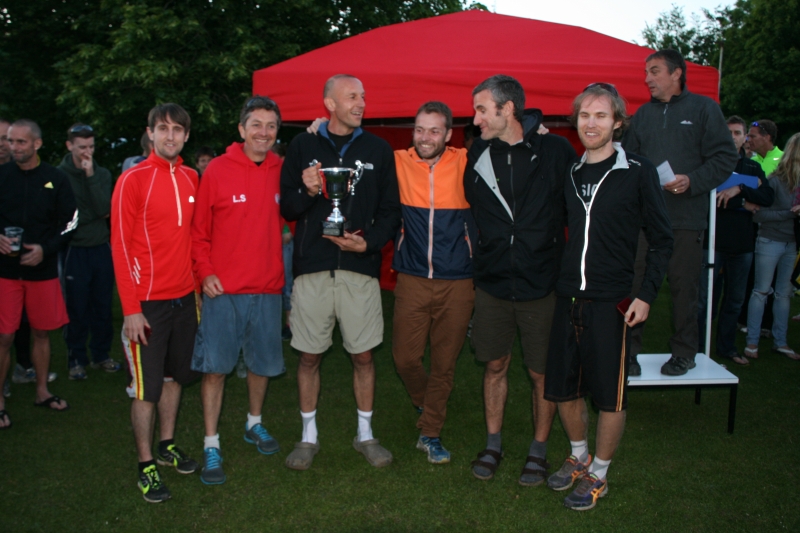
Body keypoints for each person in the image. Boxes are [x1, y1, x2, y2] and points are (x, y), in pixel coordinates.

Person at [544, 82, 672, 511]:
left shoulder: (638, 170)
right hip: (568, 297)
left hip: (612, 300)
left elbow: (662, 239)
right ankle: (579, 457)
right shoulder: (572, 171)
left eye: (601, 115)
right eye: (584, 115)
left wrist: (646, 295)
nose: (591, 123)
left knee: (609, 395)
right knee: (563, 389)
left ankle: (599, 473)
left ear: (618, 122)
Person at [279, 74, 400, 470]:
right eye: (351, 97)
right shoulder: (303, 145)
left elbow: (391, 210)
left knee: (363, 356)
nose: (361, 103)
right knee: (309, 356)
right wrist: (309, 190)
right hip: (313, 268)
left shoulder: (378, 149)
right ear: (329, 104)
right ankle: (308, 437)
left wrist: (370, 243)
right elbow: (288, 207)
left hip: (359, 268)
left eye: (363, 96)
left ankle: (365, 434)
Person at [464, 75, 576, 485]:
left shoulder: (555, 150)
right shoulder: (477, 152)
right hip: (492, 282)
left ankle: (538, 448)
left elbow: (577, 207)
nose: (476, 119)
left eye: (482, 109)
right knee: (495, 364)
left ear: (507, 108)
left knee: (541, 372)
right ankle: (493, 444)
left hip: (541, 283)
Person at [623, 49, 738, 376]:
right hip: (644, 222)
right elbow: (628, 160)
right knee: (634, 286)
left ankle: (685, 353)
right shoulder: (642, 114)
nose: (647, 78)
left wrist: (692, 181)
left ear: (676, 74)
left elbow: (725, 157)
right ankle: (628, 353)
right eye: (646, 72)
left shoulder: (704, 108)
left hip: (686, 220)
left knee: (684, 289)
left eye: (654, 71)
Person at [191, 96, 286, 485]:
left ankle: (254, 422)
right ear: (241, 129)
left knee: (261, 365)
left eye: (271, 126)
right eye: (256, 125)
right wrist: (205, 273)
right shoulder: (216, 169)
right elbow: (198, 233)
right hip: (223, 291)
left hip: (268, 288)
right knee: (215, 369)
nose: (264, 132)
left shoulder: (283, 169)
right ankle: (211, 443)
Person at [111, 103, 200, 503]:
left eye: (177, 129)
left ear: (186, 136)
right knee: (145, 389)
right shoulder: (132, 179)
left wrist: (197, 289)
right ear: (150, 133)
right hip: (146, 304)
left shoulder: (192, 177)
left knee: (174, 378)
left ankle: (167, 444)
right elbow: (118, 246)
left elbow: (193, 240)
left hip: (185, 299)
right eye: (162, 129)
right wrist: (131, 309)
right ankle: (145, 465)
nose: (170, 136)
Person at [392, 101, 474, 464]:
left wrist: (537, 130)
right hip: (412, 277)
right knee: (405, 359)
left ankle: (431, 432)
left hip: (458, 280)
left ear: (448, 134)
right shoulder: (397, 161)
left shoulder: (466, 161)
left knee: (444, 364)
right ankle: (426, 402)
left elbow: (509, 141)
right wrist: (319, 129)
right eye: (420, 129)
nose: (425, 137)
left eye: (434, 130)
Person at [0, 119, 77, 429]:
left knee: (42, 332)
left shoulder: (55, 178)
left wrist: (46, 249)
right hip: (5, 271)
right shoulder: (2, 175)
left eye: (20, 142)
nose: (13, 147)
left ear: (37, 144)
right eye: (10, 141)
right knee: (4, 335)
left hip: (42, 271)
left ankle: (42, 391)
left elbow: (71, 221)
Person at [697, 116, 771, 365]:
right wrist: (745, 202)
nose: (733, 137)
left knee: (735, 301)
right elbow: (708, 200)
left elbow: (767, 196)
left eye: (738, 133)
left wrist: (739, 189)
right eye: (728, 132)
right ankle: (697, 350)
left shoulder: (752, 166)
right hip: (712, 244)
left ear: (744, 137)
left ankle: (727, 348)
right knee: (704, 301)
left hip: (742, 246)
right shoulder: (711, 164)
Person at [57, 123, 120, 380]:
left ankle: (101, 355)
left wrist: (91, 175)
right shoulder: (58, 176)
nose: (87, 152)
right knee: (76, 307)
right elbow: (62, 215)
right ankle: (76, 359)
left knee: (102, 305)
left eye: (91, 147)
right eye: (82, 147)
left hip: (101, 246)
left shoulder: (102, 174)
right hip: (74, 249)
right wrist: (86, 216)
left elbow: (104, 210)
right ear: (69, 145)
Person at [745, 133, 800, 360]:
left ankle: (781, 342)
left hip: (792, 244)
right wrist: (790, 213)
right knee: (761, 292)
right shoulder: (776, 181)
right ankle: (752, 342)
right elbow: (758, 215)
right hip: (770, 241)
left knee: (784, 295)